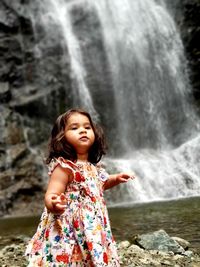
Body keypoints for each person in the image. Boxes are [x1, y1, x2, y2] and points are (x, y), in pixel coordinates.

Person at [25, 108, 134, 266]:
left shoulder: (93, 167)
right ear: (61, 137)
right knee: (70, 253)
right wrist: (53, 203)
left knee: (90, 250)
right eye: (74, 128)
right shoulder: (64, 167)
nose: (82, 130)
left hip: (92, 223)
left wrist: (116, 178)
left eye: (87, 127)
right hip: (69, 224)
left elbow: (101, 183)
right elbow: (52, 193)